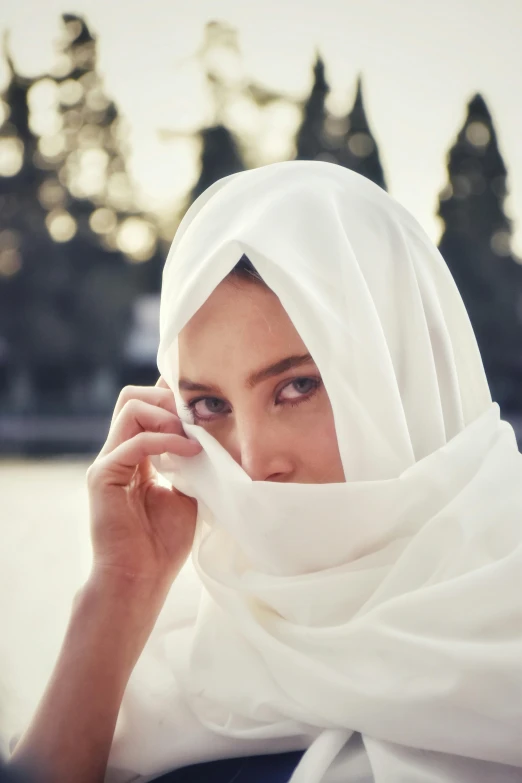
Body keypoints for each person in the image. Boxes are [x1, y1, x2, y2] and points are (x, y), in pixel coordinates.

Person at [6, 161, 522, 783]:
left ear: (402, 370)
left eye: (297, 386)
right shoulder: (164, 668)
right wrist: (119, 590)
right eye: (210, 406)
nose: (251, 462)